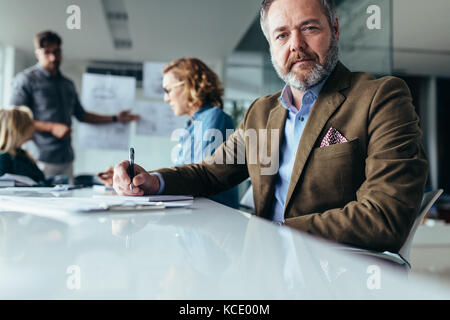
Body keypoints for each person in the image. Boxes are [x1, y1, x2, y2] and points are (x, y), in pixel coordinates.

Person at [112, 0, 428, 253]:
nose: (296, 44)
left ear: (334, 29)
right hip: (265, 271)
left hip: (337, 270)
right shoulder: (262, 113)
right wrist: (152, 181)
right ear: (271, 48)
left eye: (309, 28)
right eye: (282, 35)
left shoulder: (379, 97)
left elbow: (386, 215)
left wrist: (272, 232)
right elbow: (210, 173)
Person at [98, 58, 239, 208]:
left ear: (189, 84)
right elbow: (183, 174)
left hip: (214, 216)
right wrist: (134, 179)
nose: (166, 99)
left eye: (167, 90)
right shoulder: (192, 126)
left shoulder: (213, 117)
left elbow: (198, 178)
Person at [9, 30, 140, 182]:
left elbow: (82, 115)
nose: (53, 57)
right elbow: (16, 119)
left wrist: (116, 118)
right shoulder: (25, 80)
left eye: (56, 52)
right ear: (37, 54)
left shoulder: (68, 84)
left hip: (66, 158)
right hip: (39, 157)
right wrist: (52, 127)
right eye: (47, 52)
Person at [0, 107, 46, 184]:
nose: (33, 128)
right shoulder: (4, 158)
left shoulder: (22, 154)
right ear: (18, 129)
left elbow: (39, 179)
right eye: (29, 124)